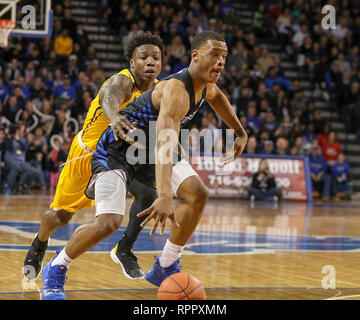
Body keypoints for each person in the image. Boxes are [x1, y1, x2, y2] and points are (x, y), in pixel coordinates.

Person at [41, 31, 248, 300]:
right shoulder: (176, 91)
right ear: (195, 56)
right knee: (108, 222)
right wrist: (164, 196)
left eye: (224, 57)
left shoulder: (204, 85)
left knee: (198, 193)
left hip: (148, 148)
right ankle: (56, 268)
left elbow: (217, 97)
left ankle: (165, 265)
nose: (220, 62)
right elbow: (164, 147)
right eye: (214, 55)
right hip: (117, 150)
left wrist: (240, 131)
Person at [23, 33, 164, 282]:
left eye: (156, 58)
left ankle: (124, 249)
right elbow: (108, 97)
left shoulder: (158, 90)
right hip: (85, 156)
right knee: (60, 216)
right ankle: (40, 242)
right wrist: (115, 116)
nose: (150, 62)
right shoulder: (122, 81)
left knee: (148, 194)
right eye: (144, 57)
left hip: (119, 157)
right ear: (132, 62)